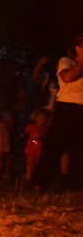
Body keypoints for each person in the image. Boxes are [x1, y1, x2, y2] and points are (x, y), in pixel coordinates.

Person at [31, 35, 83, 191]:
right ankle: (40, 182)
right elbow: (68, 77)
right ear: (78, 48)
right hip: (66, 107)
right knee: (54, 146)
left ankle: (74, 181)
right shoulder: (66, 62)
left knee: (78, 148)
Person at [22, 107, 50, 182]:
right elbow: (25, 134)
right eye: (39, 118)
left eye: (42, 118)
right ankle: (29, 177)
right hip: (30, 147)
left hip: (40, 148)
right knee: (29, 162)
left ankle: (37, 177)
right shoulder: (31, 126)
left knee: (39, 162)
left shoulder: (45, 128)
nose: (40, 120)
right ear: (35, 118)